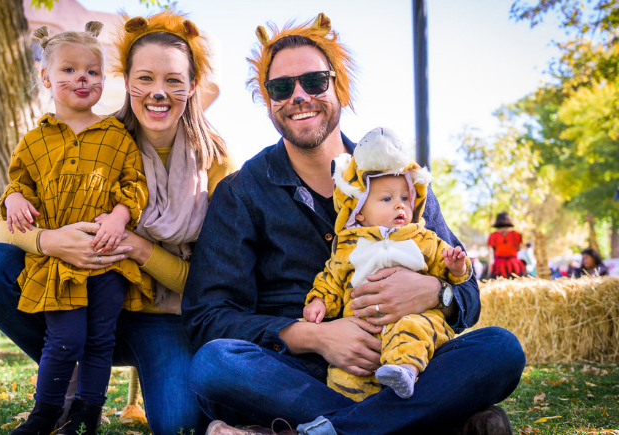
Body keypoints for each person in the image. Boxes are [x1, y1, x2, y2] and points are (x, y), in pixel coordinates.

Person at [182, 13, 525, 435]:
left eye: (315, 81)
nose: (299, 96)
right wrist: (316, 337)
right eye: (280, 87)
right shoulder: (241, 192)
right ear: (268, 100)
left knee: (501, 349)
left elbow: (467, 292)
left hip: (406, 359)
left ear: (338, 86)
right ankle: (426, 424)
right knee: (215, 365)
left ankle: (329, 430)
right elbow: (208, 317)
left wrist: (436, 290)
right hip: (297, 375)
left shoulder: (399, 179)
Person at [0, 10, 234, 435]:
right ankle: (62, 385)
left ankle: (92, 383)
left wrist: (138, 246)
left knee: (178, 424)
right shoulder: (98, 139)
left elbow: (212, 285)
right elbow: (3, 225)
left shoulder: (215, 164)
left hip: (162, 314)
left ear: (193, 86)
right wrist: (49, 241)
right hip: (80, 293)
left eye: (174, 81)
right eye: (144, 78)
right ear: (126, 82)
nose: (157, 93)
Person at [1, 21, 148, 435]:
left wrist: (120, 216)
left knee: (99, 340)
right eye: (68, 70)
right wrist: (14, 198)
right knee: (64, 339)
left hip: (107, 257)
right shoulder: (34, 140)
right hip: (59, 262)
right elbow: (19, 182)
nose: (82, 78)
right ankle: (44, 413)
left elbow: (134, 185)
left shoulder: (117, 135)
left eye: (92, 72)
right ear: (46, 78)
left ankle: (85, 417)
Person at [304, 127, 472, 401]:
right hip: (361, 332)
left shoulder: (422, 238)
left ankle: (404, 370)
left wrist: (456, 269)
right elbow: (331, 279)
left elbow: (450, 271)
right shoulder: (349, 245)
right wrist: (319, 302)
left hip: (416, 320)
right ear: (359, 212)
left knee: (419, 331)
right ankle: (352, 416)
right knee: (344, 376)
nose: (400, 206)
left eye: (405, 198)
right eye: (386, 199)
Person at [487, 212, 527, 279]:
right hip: (514, 265)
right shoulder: (516, 235)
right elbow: (518, 249)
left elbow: (493, 251)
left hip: (498, 265)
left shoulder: (493, 236)